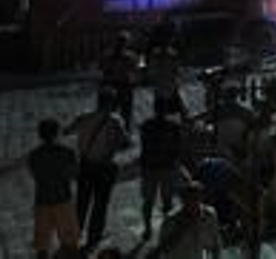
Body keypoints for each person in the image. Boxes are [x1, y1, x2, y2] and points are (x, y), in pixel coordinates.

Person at [68, 91, 131, 249]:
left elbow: (67, 130)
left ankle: (74, 234)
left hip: (86, 165)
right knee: (100, 204)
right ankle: (93, 238)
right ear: (111, 104)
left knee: (81, 202)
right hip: (104, 167)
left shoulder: (85, 116)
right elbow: (125, 142)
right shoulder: (116, 121)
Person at [28, 118, 80, 259]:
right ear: (57, 133)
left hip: (42, 200)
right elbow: (74, 174)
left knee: (42, 245)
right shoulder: (67, 153)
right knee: (70, 242)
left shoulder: (33, 155)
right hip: (62, 199)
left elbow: (36, 176)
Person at [138, 102, 185, 240]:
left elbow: (144, 147)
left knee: (148, 201)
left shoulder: (146, 125)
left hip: (150, 168)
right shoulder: (173, 126)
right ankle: (166, 227)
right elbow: (178, 148)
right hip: (167, 168)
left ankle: (148, 229)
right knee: (167, 202)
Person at [154, 180, 221, 258]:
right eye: (189, 199)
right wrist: (183, 228)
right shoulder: (172, 219)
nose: (193, 203)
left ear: (202, 198)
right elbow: (164, 249)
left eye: (196, 198)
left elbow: (216, 244)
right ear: (183, 200)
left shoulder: (209, 215)